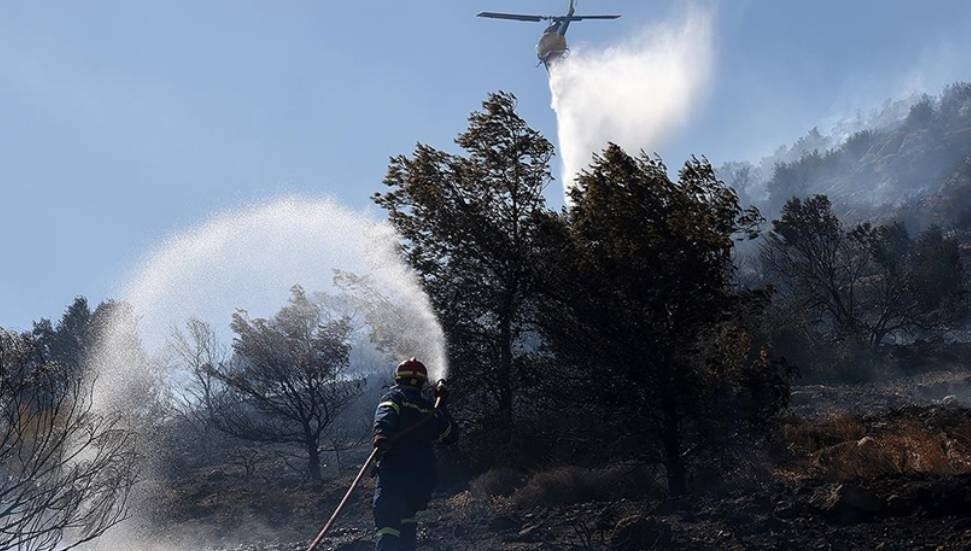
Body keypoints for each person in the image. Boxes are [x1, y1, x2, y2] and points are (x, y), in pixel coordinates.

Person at [371, 358, 456, 551]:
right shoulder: (430, 408)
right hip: (423, 476)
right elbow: (449, 436)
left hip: (396, 471)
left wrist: (381, 434)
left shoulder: (395, 397)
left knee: (388, 524)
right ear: (423, 382)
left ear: (398, 379)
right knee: (407, 520)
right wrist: (442, 406)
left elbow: (385, 414)